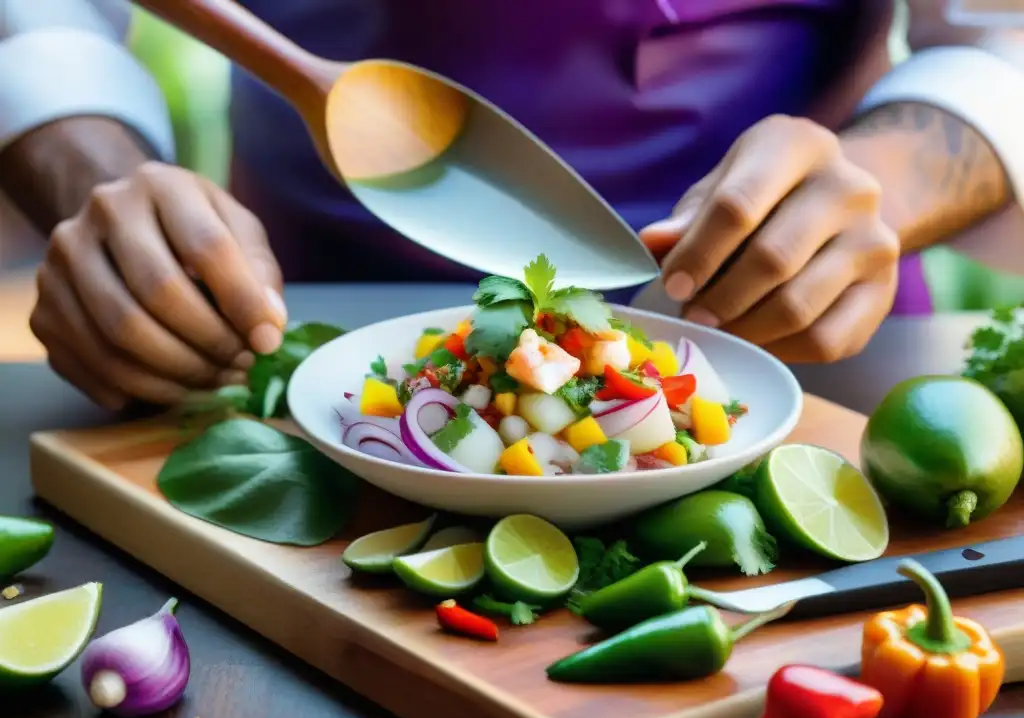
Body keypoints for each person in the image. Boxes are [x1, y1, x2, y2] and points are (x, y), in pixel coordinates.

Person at [1, 0, 1022, 410]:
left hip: (796, 356)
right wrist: (97, 186)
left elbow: (998, 34)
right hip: (277, 349)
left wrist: (873, 190)